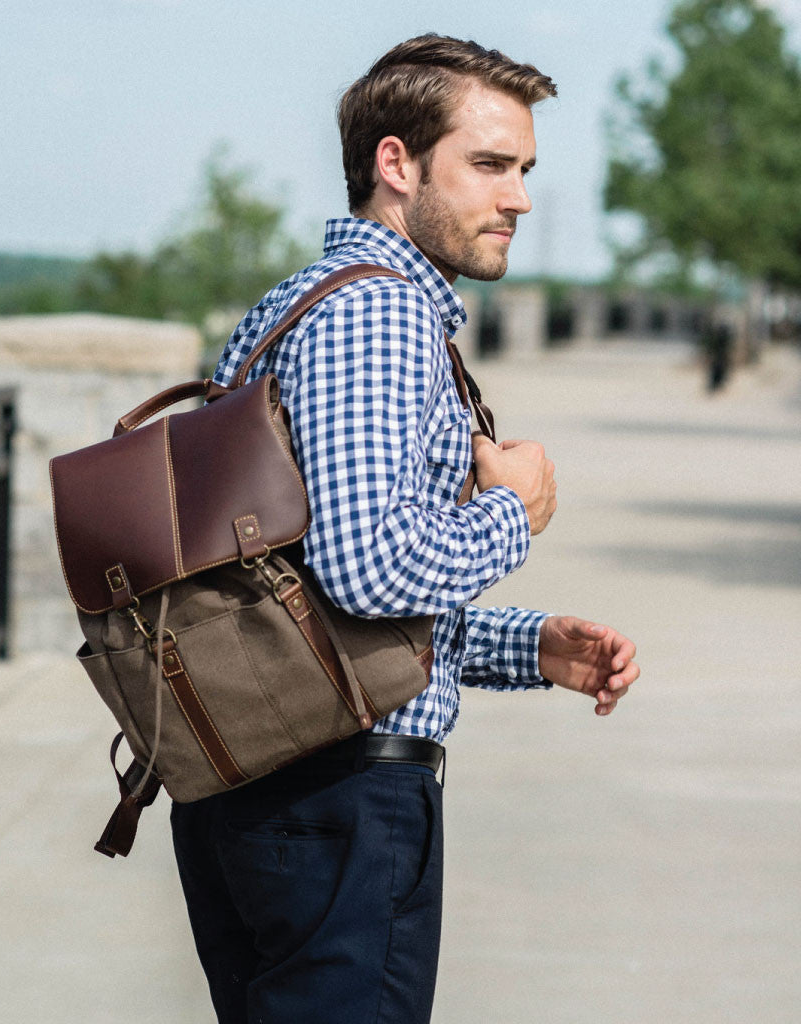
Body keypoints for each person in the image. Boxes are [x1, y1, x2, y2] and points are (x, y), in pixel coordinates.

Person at [169, 34, 640, 1024]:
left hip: (267, 786)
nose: (516, 198)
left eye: (524, 171)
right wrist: (517, 512)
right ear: (395, 163)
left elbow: (301, 584)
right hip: (338, 798)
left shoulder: (297, 303)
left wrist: (527, 644)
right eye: (490, 164)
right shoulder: (378, 318)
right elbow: (364, 566)